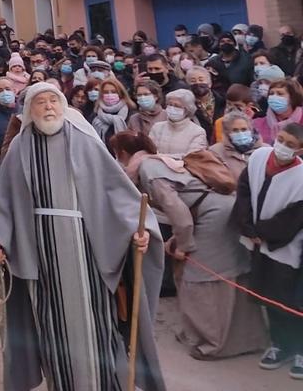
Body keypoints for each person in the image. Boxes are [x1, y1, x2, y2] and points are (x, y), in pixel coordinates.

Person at [0, 82, 165, 391]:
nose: (49, 107)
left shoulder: (85, 142)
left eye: (54, 100)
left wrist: (139, 229)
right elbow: (3, 202)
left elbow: (118, 194)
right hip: (41, 258)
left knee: (99, 326)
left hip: (87, 253)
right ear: (29, 110)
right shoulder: (19, 149)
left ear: (64, 106)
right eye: (41, 102)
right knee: (52, 331)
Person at [113, 131, 268, 361]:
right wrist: (179, 239)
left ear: (122, 154)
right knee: (232, 272)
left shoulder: (147, 171)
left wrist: (183, 246)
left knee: (198, 279)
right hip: (220, 209)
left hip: (212, 217)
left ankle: (210, 343)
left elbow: (181, 215)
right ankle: (245, 338)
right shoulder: (157, 160)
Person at [231, 123, 303, 380]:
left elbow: (294, 217)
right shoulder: (259, 157)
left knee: (292, 300)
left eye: (290, 145)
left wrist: (265, 233)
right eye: (281, 140)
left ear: (300, 149)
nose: (282, 146)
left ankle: (300, 350)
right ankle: (279, 344)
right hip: (257, 241)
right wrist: (249, 227)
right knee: (268, 297)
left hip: (285, 246)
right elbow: (244, 191)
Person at [149, 89, 207, 156]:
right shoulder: (157, 127)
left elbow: (192, 157)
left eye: (177, 106)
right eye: (170, 105)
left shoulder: (198, 132)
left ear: (187, 109)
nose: (172, 108)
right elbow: (149, 151)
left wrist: (161, 157)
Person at [210, 111, 263, 180]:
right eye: (235, 130)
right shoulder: (215, 152)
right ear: (227, 132)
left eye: (244, 129)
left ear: (251, 130)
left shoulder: (265, 150)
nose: (240, 133)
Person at [253, 79, 303, 145]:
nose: (274, 97)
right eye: (271, 94)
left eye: (280, 94)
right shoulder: (256, 123)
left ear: (293, 98)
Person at [186, 66, 225, 143]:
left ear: (210, 83)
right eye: (193, 81)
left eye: (201, 79)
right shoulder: (187, 105)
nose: (197, 83)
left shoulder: (223, 100)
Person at [91, 78, 134, 146]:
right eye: (106, 92)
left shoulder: (130, 113)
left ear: (120, 93)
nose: (109, 95)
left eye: (113, 92)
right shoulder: (95, 114)